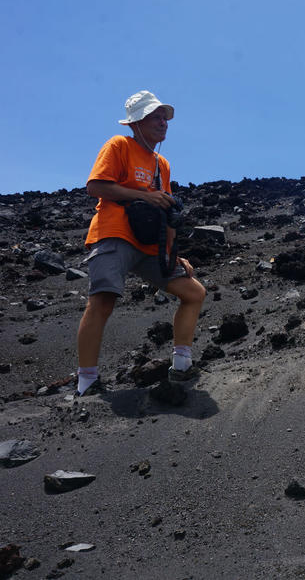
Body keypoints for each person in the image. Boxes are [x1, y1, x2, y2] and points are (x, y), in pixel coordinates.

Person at [75, 90, 206, 403]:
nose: (163, 123)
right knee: (103, 300)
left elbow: (167, 211)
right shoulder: (119, 145)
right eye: (155, 117)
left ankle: (181, 365)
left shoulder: (162, 165)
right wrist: (144, 196)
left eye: (164, 117)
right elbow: (95, 186)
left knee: (194, 292)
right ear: (135, 123)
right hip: (115, 233)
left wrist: (174, 254)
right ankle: (87, 381)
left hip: (151, 245)